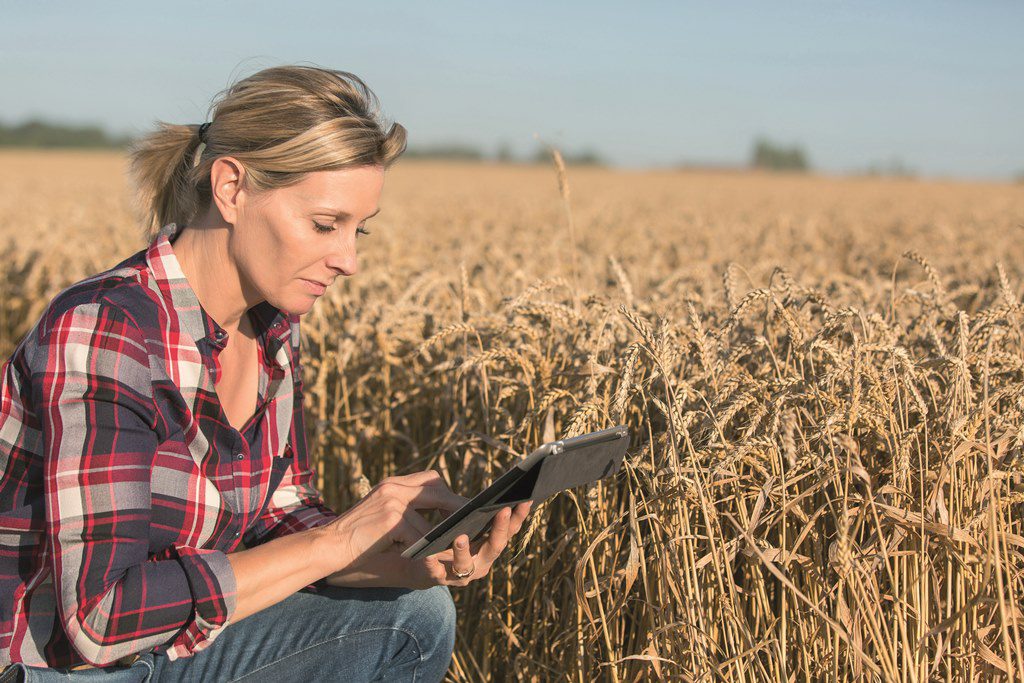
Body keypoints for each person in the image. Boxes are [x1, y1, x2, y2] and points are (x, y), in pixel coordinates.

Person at [0, 65, 533, 682]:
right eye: (325, 225)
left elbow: (282, 520)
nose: (349, 260)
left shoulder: (274, 331)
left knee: (415, 613)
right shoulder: (108, 328)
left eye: (360, 229)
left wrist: (400, 558)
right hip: (59, 669)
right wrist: (335, 541)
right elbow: (101, 617)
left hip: (176, 650)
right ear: (231, 189)